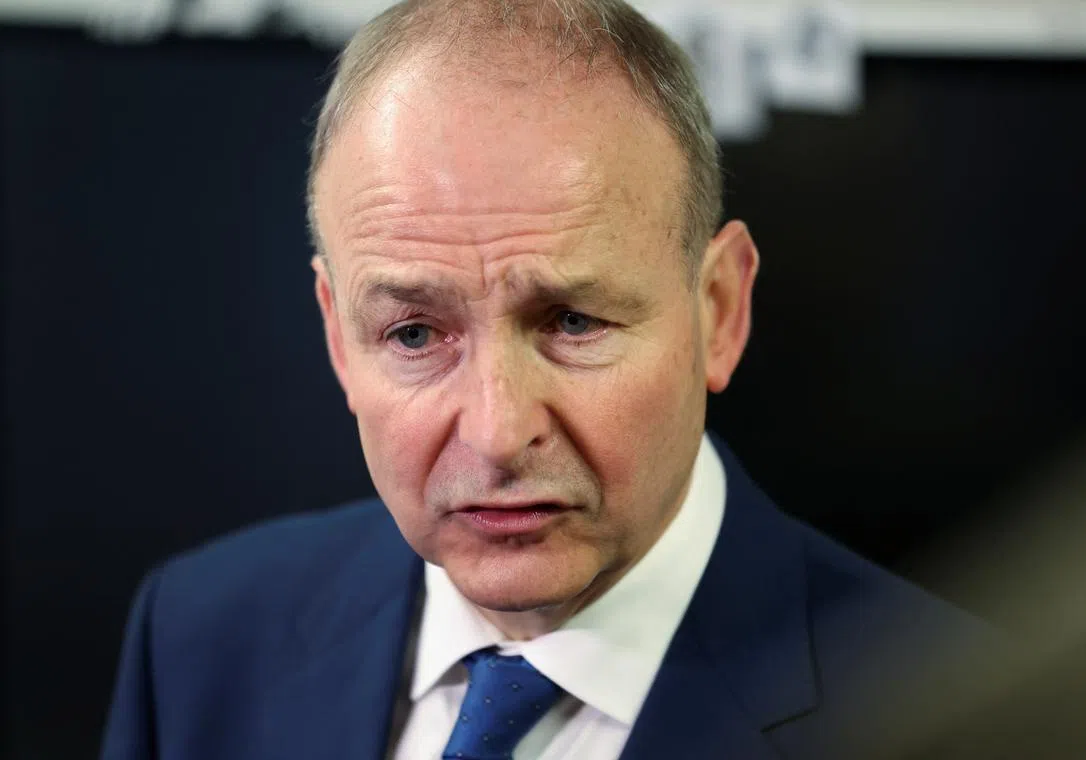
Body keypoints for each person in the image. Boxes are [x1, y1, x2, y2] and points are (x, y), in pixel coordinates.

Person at [100, 1, 996, 758]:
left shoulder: (964, 720)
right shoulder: (196, 640)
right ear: (338, 334)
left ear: (719, 310)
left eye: (573, 323)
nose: (496, 432)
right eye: (414, 333)